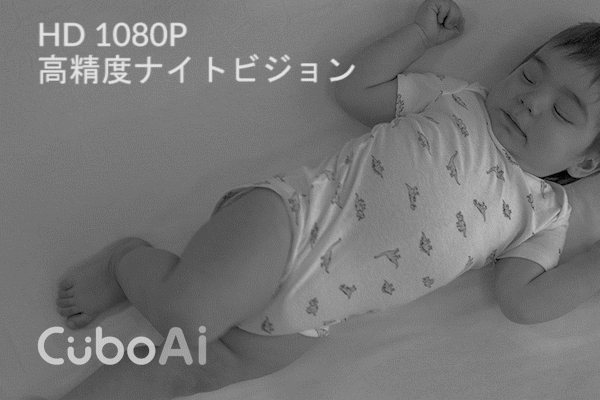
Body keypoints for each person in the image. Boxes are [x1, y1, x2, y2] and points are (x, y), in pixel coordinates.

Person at [57, 0, 600, 398]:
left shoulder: (545, 214)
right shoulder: (458, 100)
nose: (532, 100)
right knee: (188, 317)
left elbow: (523, 302)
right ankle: (129, 261)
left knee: (186, 371)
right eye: (529, 75)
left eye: (563, 111)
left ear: (586, 164)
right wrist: (417, 35)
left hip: (313, 316)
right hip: (292, 223)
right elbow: (354, 89)